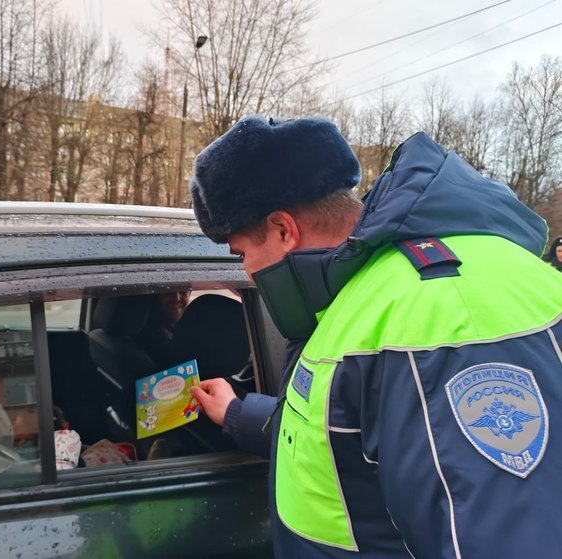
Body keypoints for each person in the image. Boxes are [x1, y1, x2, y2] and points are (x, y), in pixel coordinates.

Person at [188, 115, 562, 558]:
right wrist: (237, 414)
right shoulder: (363, 292)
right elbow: (345, 437)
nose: (245, 271)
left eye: (243, 253)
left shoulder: (441, 311)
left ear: (284, 230)